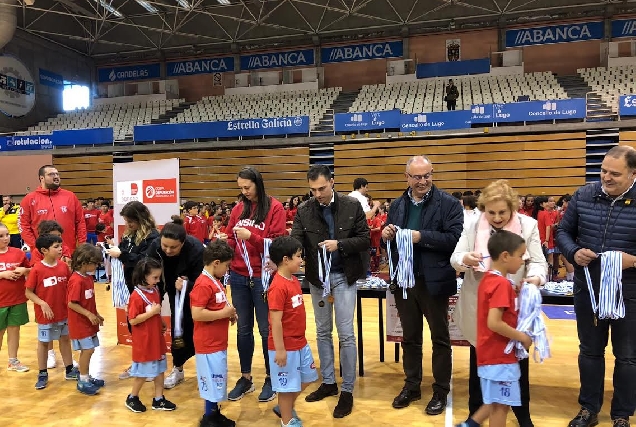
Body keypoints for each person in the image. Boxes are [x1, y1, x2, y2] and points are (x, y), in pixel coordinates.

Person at [450, 180, 546, 427]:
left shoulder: (529, 225)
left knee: (517, 368)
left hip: (514, 308)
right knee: (479, 364)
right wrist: (466, 259)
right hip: (479, 306)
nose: (496, 217)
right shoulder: (472, 223)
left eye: (502, 212)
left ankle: (522, 416)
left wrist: (534, 278)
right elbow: (455, 257)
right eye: (490, 212)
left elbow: (537, 262)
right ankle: (476, 414)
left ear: (512, 208)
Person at [556, 145, 636, 427]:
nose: (606, 177)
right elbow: (562, 232)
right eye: (603, 170)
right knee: (590, 351)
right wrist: (573, 252)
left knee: (627, 357)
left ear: (633, 174)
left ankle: (622, 414)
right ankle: (588, 409)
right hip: (587, 288)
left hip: (629, 294)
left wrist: (633, 260)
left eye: (615, 173)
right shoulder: (584, 194)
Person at [381, 155, 463, 415]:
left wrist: (420, 237)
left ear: (432, 175)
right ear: (407, 177)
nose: (422, 181)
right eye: (417, 176)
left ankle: (440, 390)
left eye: (427, 175)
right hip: (405, 282)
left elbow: (454, 239)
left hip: (435, 282)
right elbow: (389, 234)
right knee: (410, 338)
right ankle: (412, 386)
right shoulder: (397, 204)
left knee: (440, 339)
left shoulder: (449, 203)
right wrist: (386, 235)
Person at [290, 164, 370, 419]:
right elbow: (296, 240)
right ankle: (328, 382)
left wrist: (341, 245)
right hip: (317, 279)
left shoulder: (352, 205)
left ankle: (347, 390)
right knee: (322, 332)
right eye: (313, 190)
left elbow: (366, 239)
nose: (318, 194)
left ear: (332, 182)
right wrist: (284, 255)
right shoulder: (304, 210)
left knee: (346, 334)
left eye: (322, 188)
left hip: (345, 277)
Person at [455, 230, 533, 427]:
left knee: (495, 400)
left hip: (489, 353)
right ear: (506, 256)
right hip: (499, 356)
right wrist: (521, 336)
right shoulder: (501, 284)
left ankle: (470, 424)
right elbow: (494, 322)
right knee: (500, 406)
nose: (524, 260)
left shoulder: (489, 279)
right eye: (521, 255)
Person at [225, 167, 286, 403]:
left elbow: (278, 243)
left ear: (257, 184)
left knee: (265, 329)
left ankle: (271, 378)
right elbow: (231, 238)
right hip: (239, 276)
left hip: (263, 277)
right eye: (240, 188)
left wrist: (252, 238)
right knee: (242, 329)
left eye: (247, 187)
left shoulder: (275, 208)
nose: (244, 192)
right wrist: (226, 243)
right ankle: (246, 377)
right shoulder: (239, 209)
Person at [146, 218, 204, 389]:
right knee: (168, 326)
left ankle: (204, 368)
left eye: (173, 247)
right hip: (163, 285)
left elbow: (204, 279)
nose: (168, 250)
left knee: (191, 327)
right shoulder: (155, 247)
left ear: (183, 243)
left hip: (191, 294)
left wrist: (188, 284)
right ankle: (173, 368)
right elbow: (145, 272)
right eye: (165, 246)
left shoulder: (196, 249)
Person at [268, 236, 318, 427]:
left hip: (300, 342)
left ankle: (284, 407)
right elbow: (276, 321)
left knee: (309, 377)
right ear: (286, 259)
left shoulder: (294, 280)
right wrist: (280, 350)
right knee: (287, 389)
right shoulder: (278, 287)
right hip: (285, 346)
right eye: (298, 256)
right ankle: (287, 420)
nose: (301, 260)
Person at [190, 240, 237, 427]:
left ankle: (214, 413)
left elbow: (219, 305)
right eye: (226, 266)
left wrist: (229, 314)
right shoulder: (203, 284)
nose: (227, 270)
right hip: (207, 343)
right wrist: (223, 313)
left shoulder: (214, 281)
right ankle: (209, 419)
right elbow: (197, 313)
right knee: (212, 380)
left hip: (217, 341)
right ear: (216, 263)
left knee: (217, 379)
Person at [24, 234, 79, 390]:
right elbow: (28, 292)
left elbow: (70, 286)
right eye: (56, 246)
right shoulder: (37, 269)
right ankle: (42, 373)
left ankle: (69, 369)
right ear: (44, 250)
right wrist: (42, 303)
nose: (60, 249)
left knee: (65, 339)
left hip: (63, 312)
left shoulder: (63, 266)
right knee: (44, 343)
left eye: (61, 246)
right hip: (46, 315)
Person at [125, 258, 177, 413]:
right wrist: (153, 313)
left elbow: (155, 311)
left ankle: (159, 399)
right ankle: (132, 397)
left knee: (160, 369)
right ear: (143, 276)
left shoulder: (154, 290)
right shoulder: (136, 295)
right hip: (145, 341)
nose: (158, 280)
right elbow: (133, 320)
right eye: (154, 277)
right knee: (143, 373)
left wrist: (160, 321)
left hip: (156, 339)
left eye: (159, 277)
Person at [19, 165, 86, 256]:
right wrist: (36, 247)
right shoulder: (29, 199)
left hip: (69, 252)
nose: (56, 177)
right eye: (51, 174)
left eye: (57, 174)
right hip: (43, 253)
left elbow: (80, 222)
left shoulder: (70, 196)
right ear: (41, 178)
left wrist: (81, 244)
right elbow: (24, 226)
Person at [67, 244, 105, 395]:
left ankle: (87, 377)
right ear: (84, 263)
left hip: (89, 322)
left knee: (90, 349)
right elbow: (71, 303)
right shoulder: (76, 281)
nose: (96, 266)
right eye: (94, 263)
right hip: (80, 323)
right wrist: (88, 315)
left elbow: (89, 301)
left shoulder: (88, 278)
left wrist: (96, 314)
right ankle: (83, 380)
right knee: (87, 350)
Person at [0, 222, 31, 373]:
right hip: (1, 301)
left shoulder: (19, 253)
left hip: (17, 299)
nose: (5, 238)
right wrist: (3, 274)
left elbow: (31, 270)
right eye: (1, 236)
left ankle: (13, 361)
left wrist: (25, 270)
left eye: (7, 235)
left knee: (14, 330)